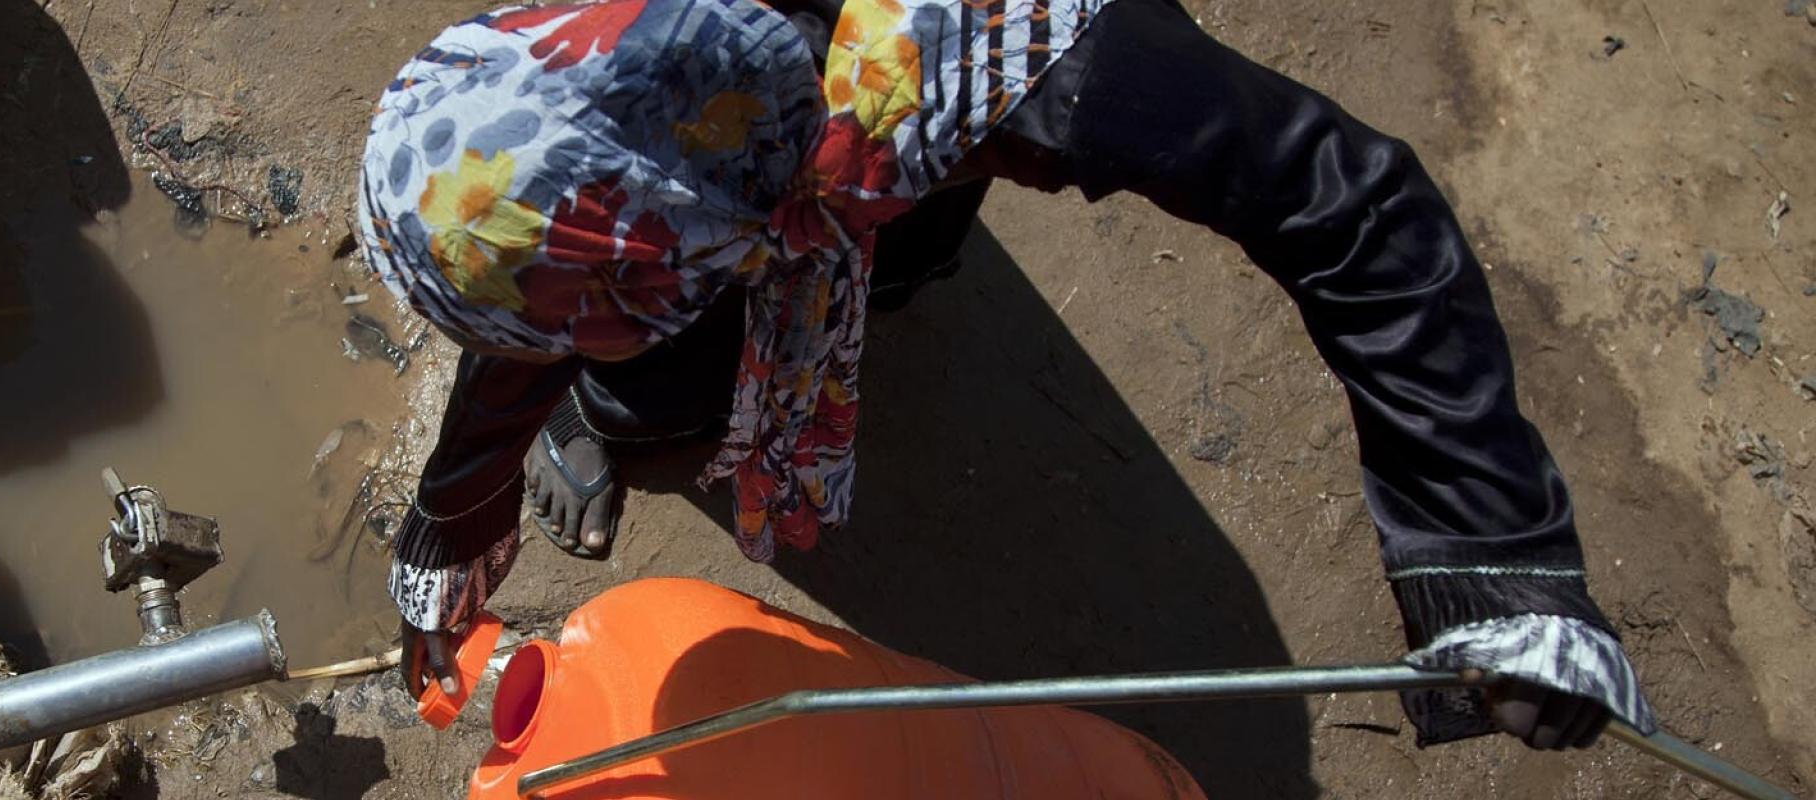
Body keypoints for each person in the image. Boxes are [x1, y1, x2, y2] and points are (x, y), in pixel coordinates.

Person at [357, 0, 1655, 751]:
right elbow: (530, 264)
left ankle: (876, 265)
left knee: (895, 213)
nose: (538, 337)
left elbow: (1352, 207)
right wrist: (454, 518)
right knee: (666, 324)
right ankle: (667, 374)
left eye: (586, 314)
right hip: (758, 156)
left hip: (900, 93)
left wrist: (1495, 556)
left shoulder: (1021, 60)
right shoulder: (605, 64)